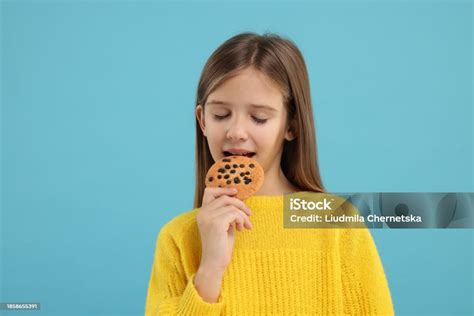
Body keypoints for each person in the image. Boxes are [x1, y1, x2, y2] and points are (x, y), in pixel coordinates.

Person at [145, 32, 394, 315]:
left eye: (259, 118)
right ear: (202, 120)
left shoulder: (336, 222)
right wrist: (211, 268)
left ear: (292, 126)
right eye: (221, 115)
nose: (236, 132)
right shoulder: (179, 237)